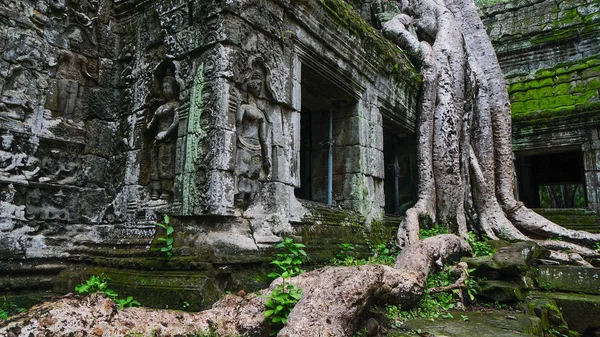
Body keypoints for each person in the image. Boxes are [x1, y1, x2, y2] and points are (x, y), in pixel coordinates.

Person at [234, 70, 270, 207]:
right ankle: (239, 198)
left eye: (260, 85)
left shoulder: (261, 113)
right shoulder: (243, 107)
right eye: (256, 84)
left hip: (257, 146)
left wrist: (266, 156)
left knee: (254, 173)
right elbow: (237, 124)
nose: (259, 88)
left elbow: (263, 137)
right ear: (250, 86)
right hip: (244, 142)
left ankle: (251, 200)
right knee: (242, 171)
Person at [146, 69, 180, 201]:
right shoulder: (160, 108)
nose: (165, 90)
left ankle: (165, 193)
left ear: (174, 89)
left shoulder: (176, 105)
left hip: (168, 140)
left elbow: (176, 122)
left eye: (168, 87)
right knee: (155, 166)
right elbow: (151, 126)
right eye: (163, 87)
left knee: (166, 165)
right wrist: (143, 122)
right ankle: (155, 191)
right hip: (157, 141)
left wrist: (166, 134)